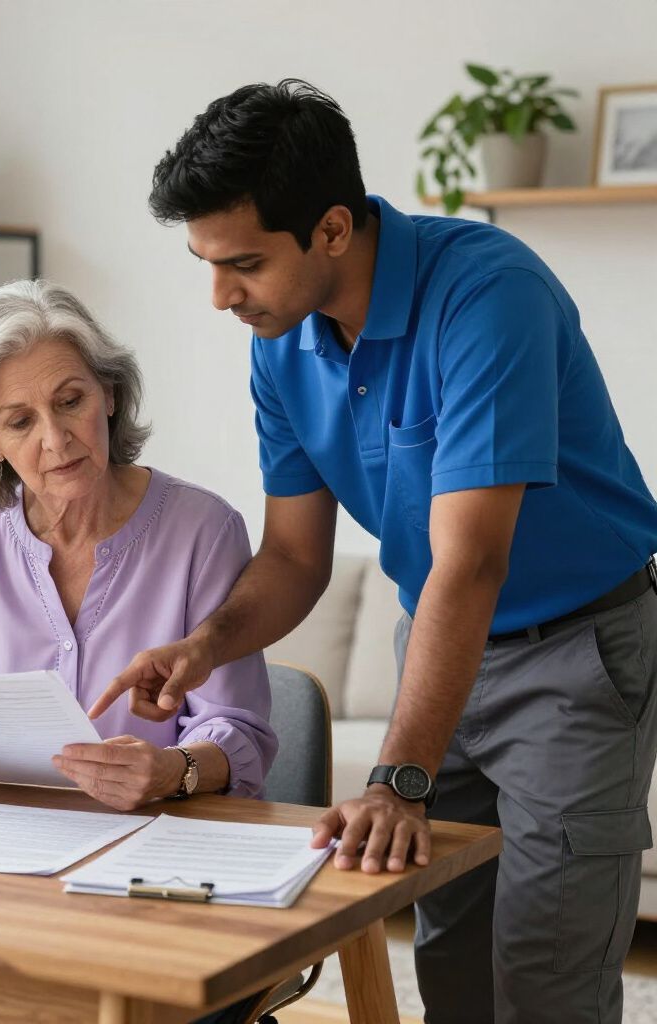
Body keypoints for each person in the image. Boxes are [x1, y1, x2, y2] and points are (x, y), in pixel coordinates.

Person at [90, 80, 657, 1023]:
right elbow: (295, 560)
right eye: (206, 264)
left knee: (545, 981)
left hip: (574, 655)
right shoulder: (280, 339)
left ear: (335, 231)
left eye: (243, 264)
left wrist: (395, 779)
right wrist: (205, 647)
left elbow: (470, 563)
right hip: (435, 649)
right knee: (451, 964)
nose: (221, 296)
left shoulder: (488, 296)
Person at [0, 279, 276, 811]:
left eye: (71, 401)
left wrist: (172, 770)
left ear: (110, 395)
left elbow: (238, 731)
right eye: (20, 421)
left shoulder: (202, 530)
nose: (55, 438)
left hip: (155, 839)